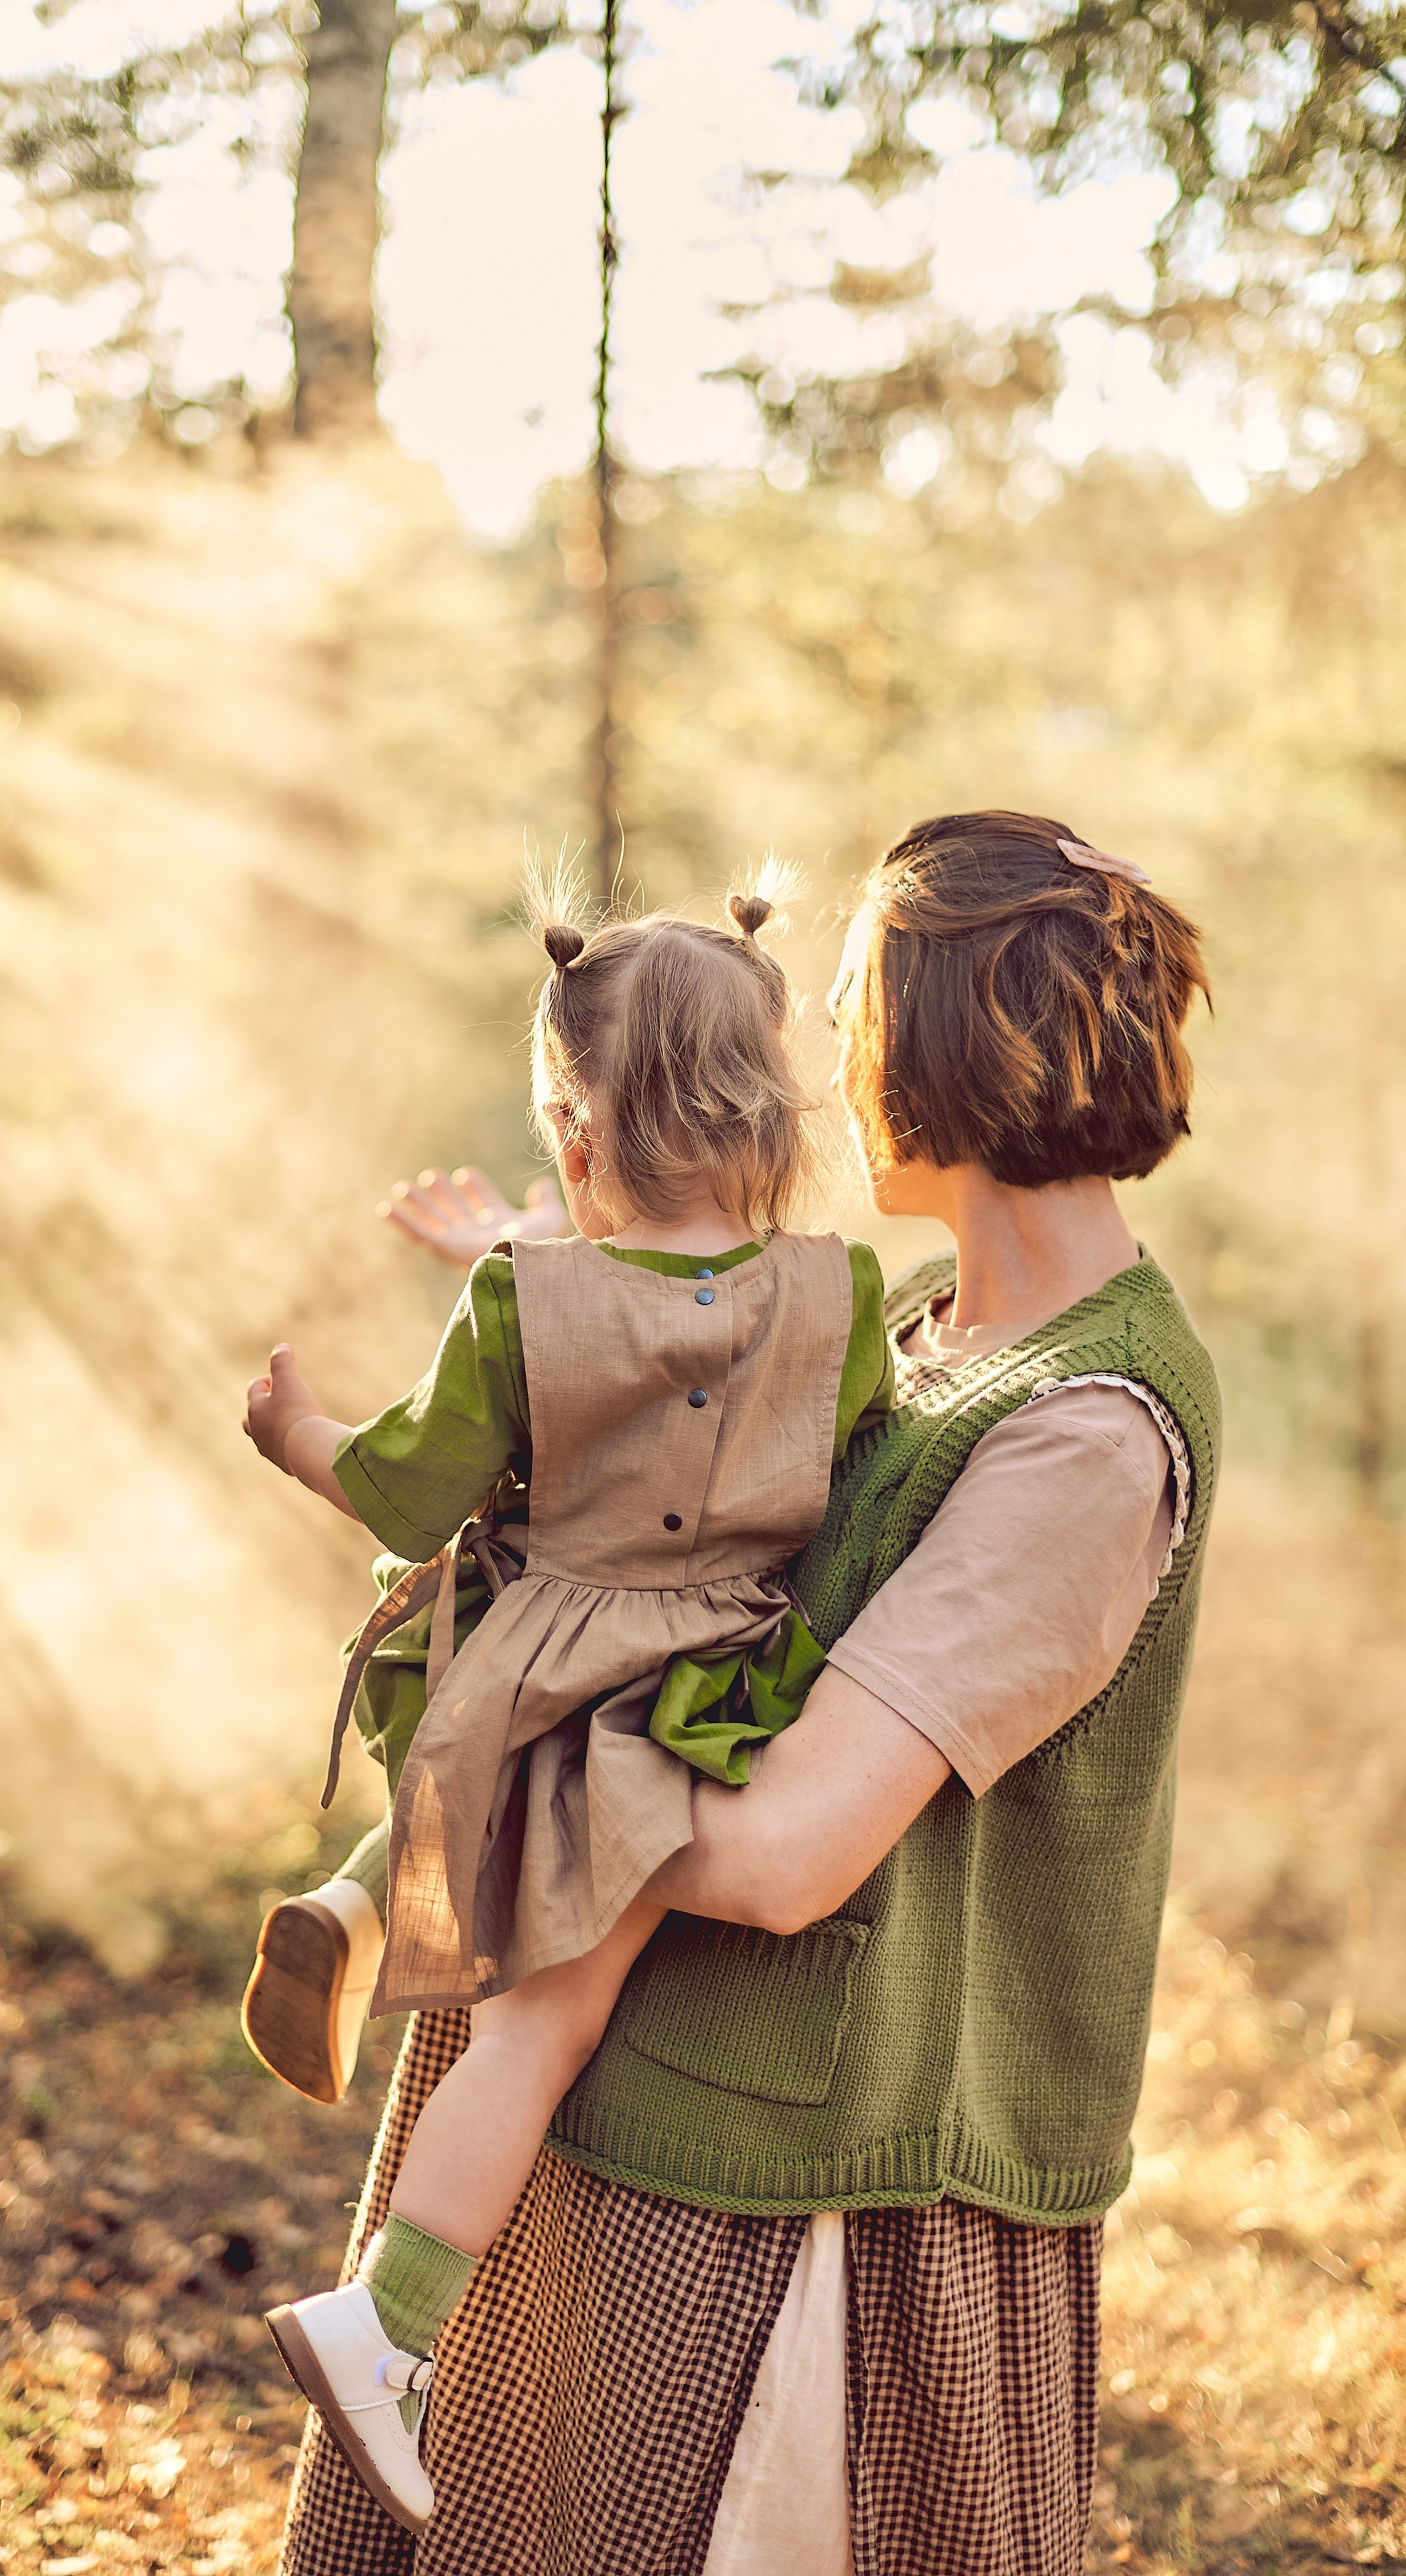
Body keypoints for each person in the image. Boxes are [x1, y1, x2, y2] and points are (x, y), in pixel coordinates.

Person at [274, 808, 1220, 2576]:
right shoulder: (928, 1331)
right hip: (613, 2089)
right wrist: (531, 1270)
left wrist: (489, 1762)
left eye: (848, 1000)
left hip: (796, 2194)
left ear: (940, 1039)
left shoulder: (1085, 1434)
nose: (809, 1044)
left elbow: (787, 1855)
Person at [242, 876, 893, 2533]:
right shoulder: (845, 1305)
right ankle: (381, 2301)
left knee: (489, 1823)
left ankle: (356, 1946)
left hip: (526, 1666)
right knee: (547, 2013)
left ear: (577, 1135)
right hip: (682, 1706)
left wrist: (299, 1436)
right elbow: (766, 1402)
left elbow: (408, 1488)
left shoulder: (522, 1303)